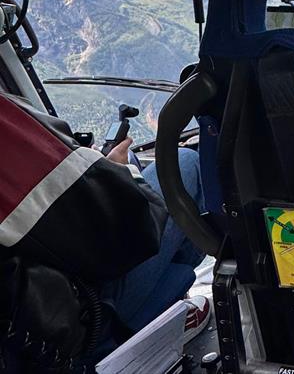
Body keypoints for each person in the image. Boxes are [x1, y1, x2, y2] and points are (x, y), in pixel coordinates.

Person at [0, 91, 209, 367]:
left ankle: (164, 305)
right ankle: (153, 322)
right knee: (184, 163)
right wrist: (123, 174)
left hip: (26, 334)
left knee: (131, 161)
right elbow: (132, 228)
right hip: (74, 335)